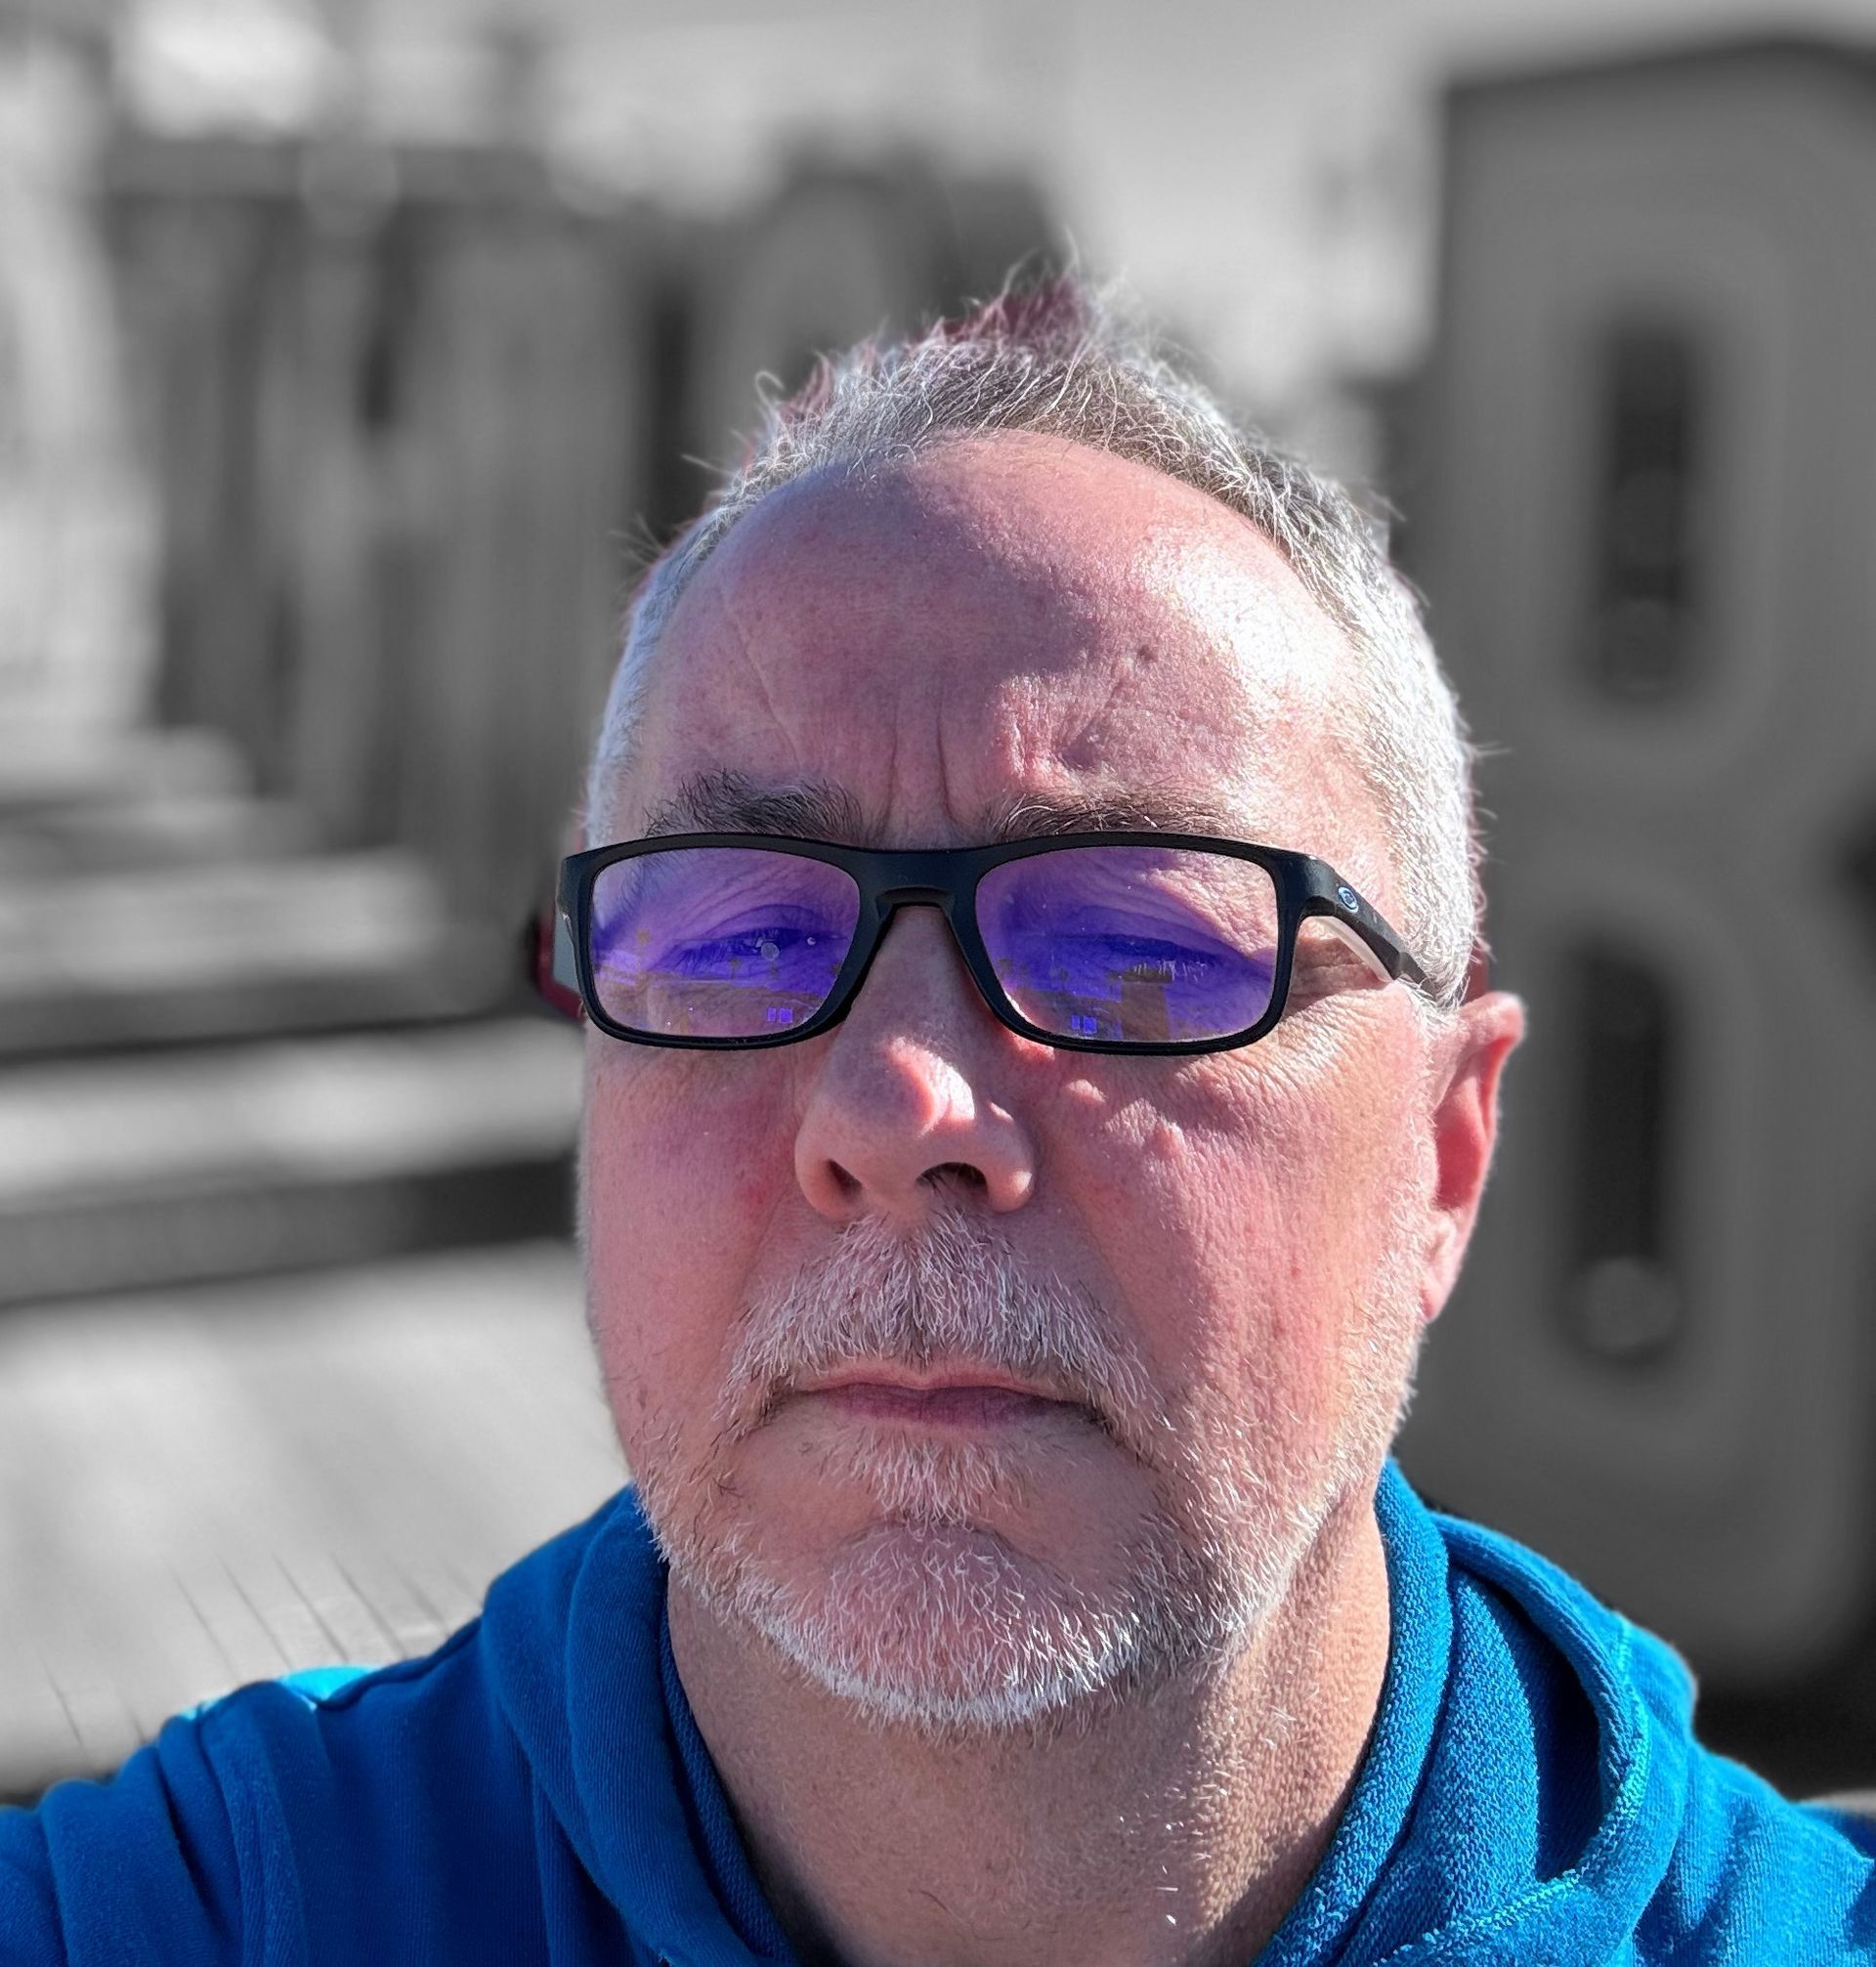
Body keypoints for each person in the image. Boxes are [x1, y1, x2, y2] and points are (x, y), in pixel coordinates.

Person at [4, 279, 1873, 1966]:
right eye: (734, 934)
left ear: (1446, 1160)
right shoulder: (205, 1912)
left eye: (1139, 948)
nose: (897, 1104)